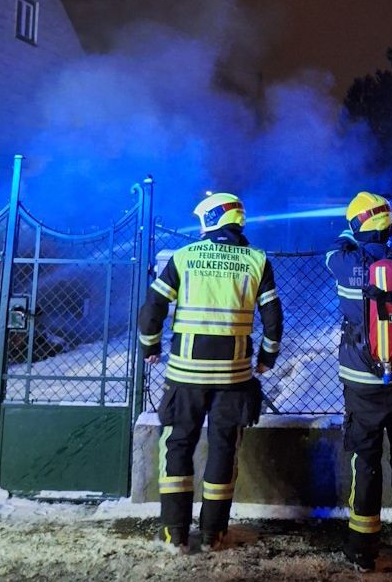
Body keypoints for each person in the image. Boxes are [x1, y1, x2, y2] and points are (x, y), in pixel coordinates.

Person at [138, 192, 282, 554]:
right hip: (233, 377)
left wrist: (150, 347)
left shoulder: (183, 257)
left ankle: (175, 533)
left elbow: (153, 306)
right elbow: (274, 319)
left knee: (178, 446)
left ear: (211, 219)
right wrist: (267, 358)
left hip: (186, 375)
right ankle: (213, 535)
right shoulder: (256, 260)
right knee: (223, 450)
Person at [325, 191, 392, 571]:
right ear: (386, 225)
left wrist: (356, 228)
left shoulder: (343, 261)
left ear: (357, 227)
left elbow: (336, 247)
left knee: (365, 461)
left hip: (361, 382)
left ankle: (362, 549)